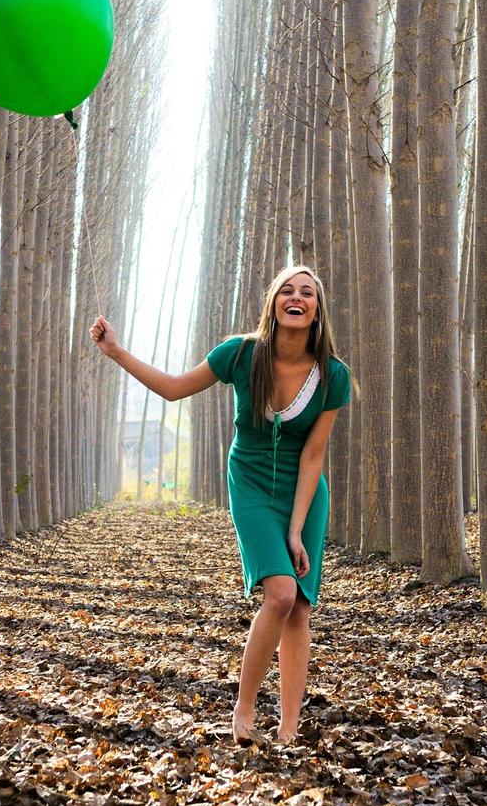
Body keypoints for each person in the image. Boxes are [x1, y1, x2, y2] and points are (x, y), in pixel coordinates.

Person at [89, 265, 352, 745]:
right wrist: (115, 351)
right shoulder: (240, 354)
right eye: (287, 291)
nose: (297, 298)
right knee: (280, 594)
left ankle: (289, 726)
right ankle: (244, 709)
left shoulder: (332, 375)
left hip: (304, 493)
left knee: (299, 608)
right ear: (274, 303)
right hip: (250, 484)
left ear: (318, 310)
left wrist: (296, 530)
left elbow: (314, 453)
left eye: (307, 293)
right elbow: (172, 388)